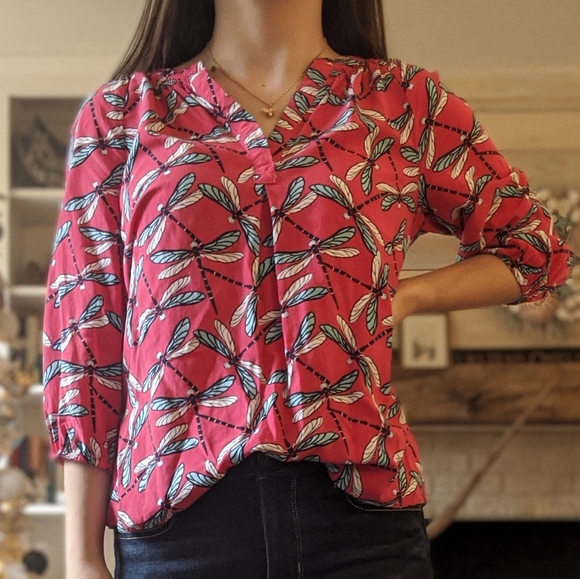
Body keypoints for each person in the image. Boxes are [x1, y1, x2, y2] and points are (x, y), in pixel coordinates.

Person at [42, 1, 574, 578]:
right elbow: (85, 338)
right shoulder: (122, 117)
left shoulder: (404, 106)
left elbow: (536, 250)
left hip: (363, 528)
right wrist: (81, 557)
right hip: (181, 531)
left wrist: (407, 296)